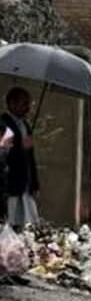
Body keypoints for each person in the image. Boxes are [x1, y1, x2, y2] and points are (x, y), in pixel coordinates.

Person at [0, 87, 40, 229]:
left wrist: (34, 183)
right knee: (10, 224)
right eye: (24, 103)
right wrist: (19, 147)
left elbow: (30, 157)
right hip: (10, 184)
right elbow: (3, 153)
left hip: (25, 184)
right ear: (12, 103)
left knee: (28, 225)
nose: (27, 108)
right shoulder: (4, 125)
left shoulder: (25, 126)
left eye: (28, 104)